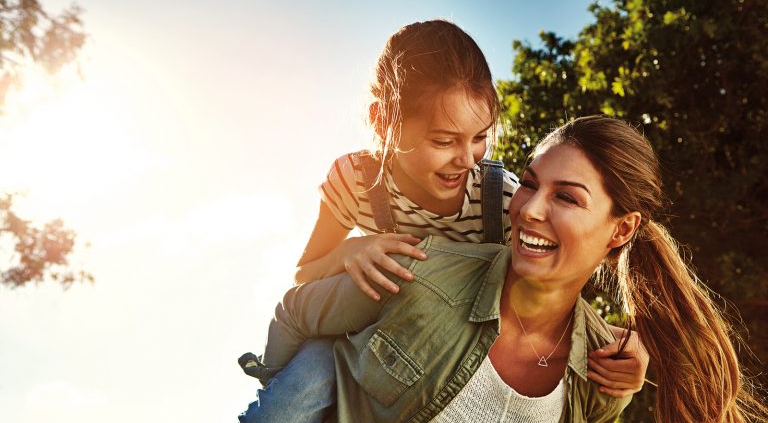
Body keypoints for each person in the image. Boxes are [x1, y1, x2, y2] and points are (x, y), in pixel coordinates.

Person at [239, 20, 647, 421]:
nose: (467, 159)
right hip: (360, 335)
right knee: (291, 398)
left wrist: (618, 343)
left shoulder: (504, 199)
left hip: (439, 344)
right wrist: (352, 250)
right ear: (383, 122)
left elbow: (544, 294)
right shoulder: (357, 180)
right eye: (444, 140)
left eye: (479, 137)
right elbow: (304, 276)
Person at [243, 116, 767, 422]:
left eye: (566, 197)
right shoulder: (416, 274)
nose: (530, 208)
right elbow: (295, 311)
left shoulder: (605, 370)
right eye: (532, 183)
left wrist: (627, 382)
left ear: (622, 229)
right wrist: (282, 399)